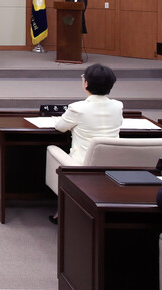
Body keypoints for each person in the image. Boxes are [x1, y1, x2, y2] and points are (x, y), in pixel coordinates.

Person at [49, 63, 122, 224]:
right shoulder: (118, 106)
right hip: (113, 166)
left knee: (51, 149)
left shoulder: (77, 108)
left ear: (86, 84)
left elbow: (60, 127)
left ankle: (64, 208)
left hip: (81, 167)